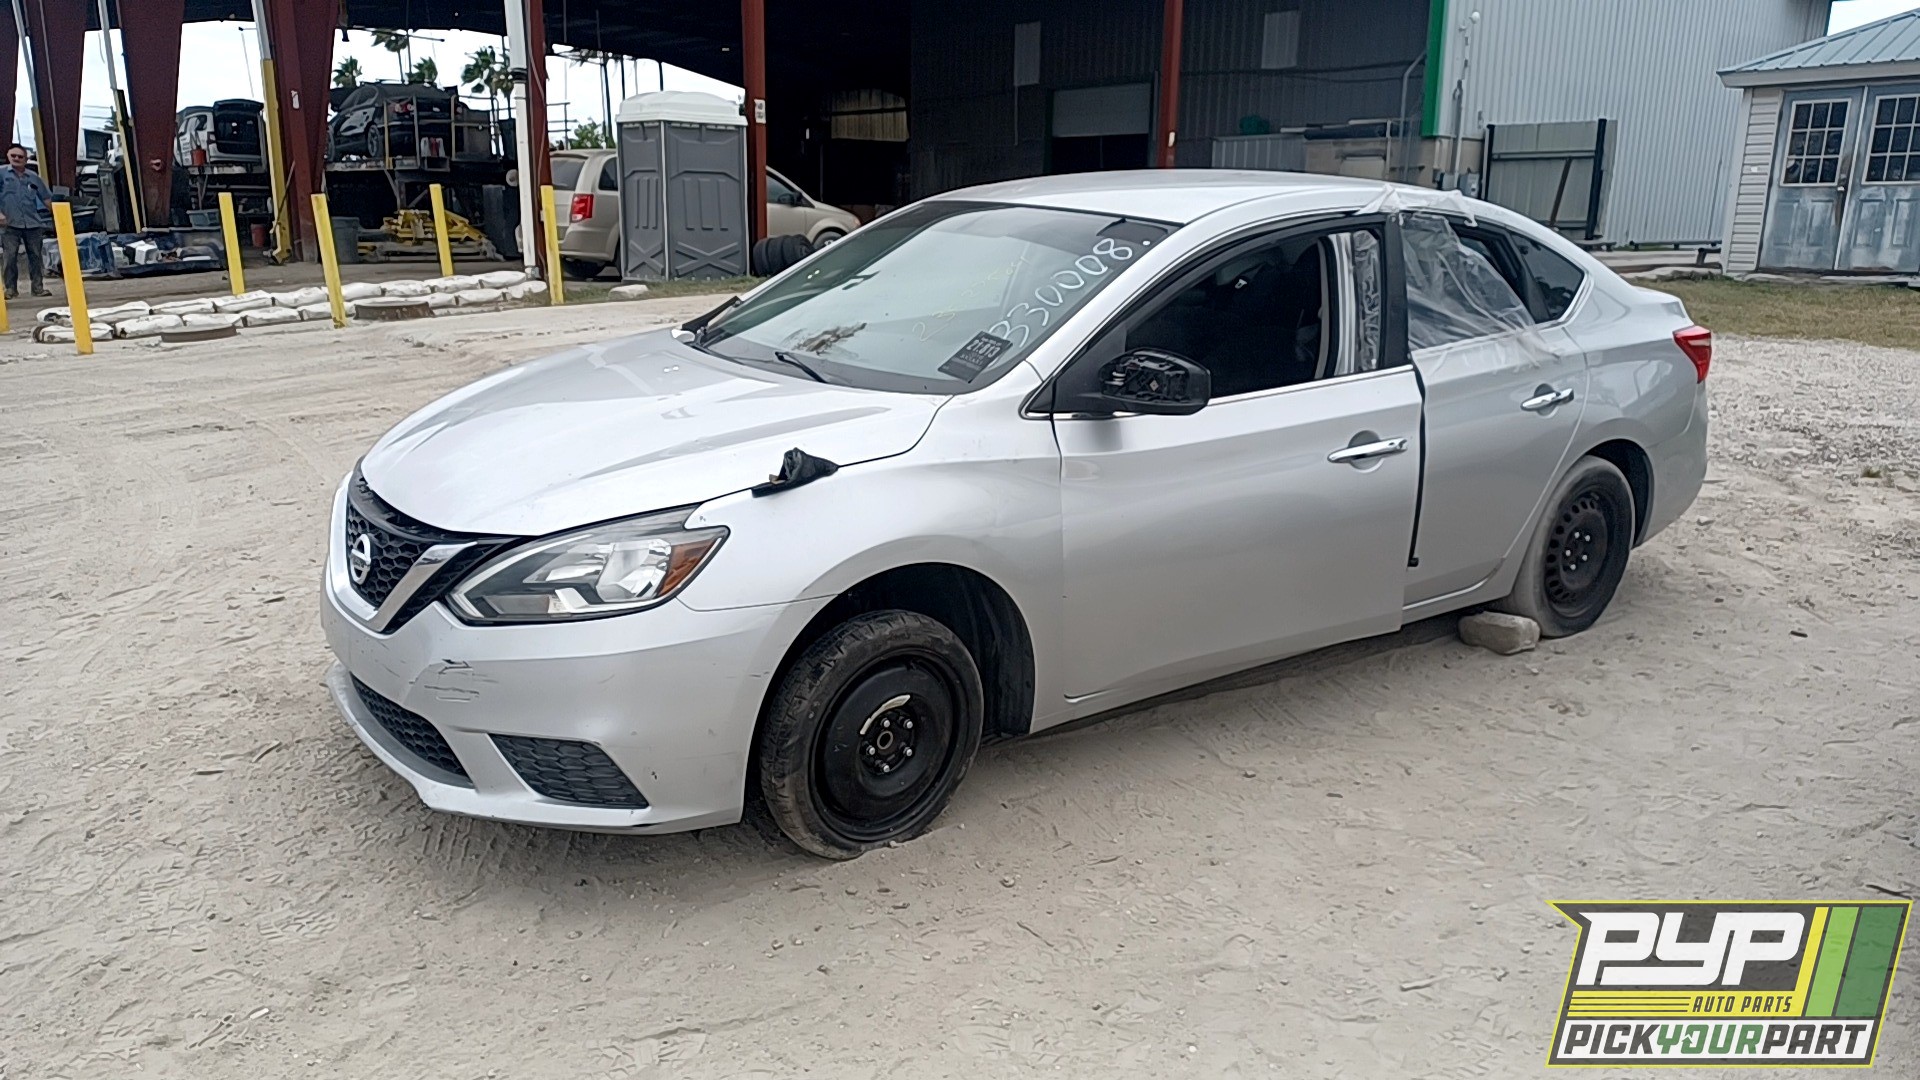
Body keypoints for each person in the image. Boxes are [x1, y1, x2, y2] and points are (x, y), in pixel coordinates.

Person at [0, 143, 53, 298]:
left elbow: (46, 198)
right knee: (10, 257)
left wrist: (59, 218)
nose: (16, 159)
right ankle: (10, 289)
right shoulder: (1, 174)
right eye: (13, 156)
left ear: (26, 159)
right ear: (8, 156)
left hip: (33, 223)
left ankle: (38, 288)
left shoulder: (33, 177)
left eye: (20, 156)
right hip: (9, 223)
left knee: (36, 257)